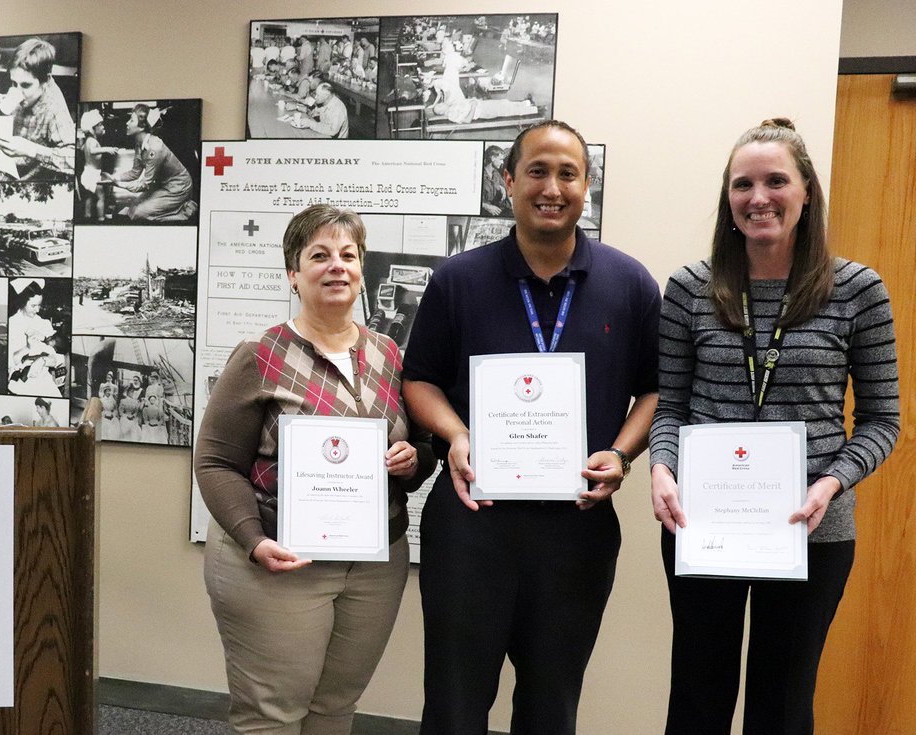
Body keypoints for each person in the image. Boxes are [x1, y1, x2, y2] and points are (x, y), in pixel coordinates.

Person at [401, 120, 661, 735]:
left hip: (576, 528)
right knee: (454, 702)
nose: (552, 186)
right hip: (472, 523)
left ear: (586, 185)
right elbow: (419, 380)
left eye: (567, 173)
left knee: (552, 704)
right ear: (507, 182)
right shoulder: (456, 280)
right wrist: (456, 434)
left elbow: (656, 389)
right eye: (537, 171)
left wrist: (621, 455)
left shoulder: (630, 284)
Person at [648, 118, 900, 735]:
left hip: (812, 530)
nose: (758, 197)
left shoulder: (858, 289)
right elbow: (671, 407)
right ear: (727, 199)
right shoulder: (688, 288)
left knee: (783, 706)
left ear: (807, 190)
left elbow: (881, 420)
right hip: (704, 523)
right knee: (698, 698)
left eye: (776, 181)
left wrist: (832, 483)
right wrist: (660, 467)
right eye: (743, 185)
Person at [195, 204, 436, 734]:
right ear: (293, 274)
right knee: (272, 715)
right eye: (319, 256)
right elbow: (214, 463)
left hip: (374, 566)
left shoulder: (390, 354)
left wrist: (412, 460)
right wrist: (254, 540)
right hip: (279, 561)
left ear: (361, 268)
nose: (336, 267)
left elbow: (422, 445)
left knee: (335, 708)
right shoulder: (259, 355)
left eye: (348, 255)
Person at [0, 38, 75, 179]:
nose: (17, 93)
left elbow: (73, 159)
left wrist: (31, 150)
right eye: (13, 83)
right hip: (5, 171)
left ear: (46, 80)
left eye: (25, 85)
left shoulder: (54, 107)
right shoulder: (19, 90)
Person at [111, 107, 196, 222]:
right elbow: (135, 173)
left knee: (138, 213)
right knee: (133, 208)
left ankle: (185, 211)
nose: (127, 123)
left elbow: (145, 184)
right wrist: (114, 178)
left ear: (141, 127)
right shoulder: (139, 143)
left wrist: (120, 185)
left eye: (131, 120)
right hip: (163, 184)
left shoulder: (155, 148)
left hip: (178, 187)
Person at [7, 278, 66, 397]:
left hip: (44, 381)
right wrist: (27, 347)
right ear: (22, 302)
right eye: (33, 305)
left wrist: (43, 361)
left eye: (39, 305)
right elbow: (12, 361)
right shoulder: (12, 323)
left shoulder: (44, 323)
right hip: (20, 382)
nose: (37, 310)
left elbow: (58, 358)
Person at [480, 144, 511, 217]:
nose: (502, 162)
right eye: (500, 159)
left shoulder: (496, 174)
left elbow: (508, 190)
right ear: (493, 158)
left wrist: (502, 187)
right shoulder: (480, 174)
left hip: (496, 211)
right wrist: (486, 206)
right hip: (484, 212)